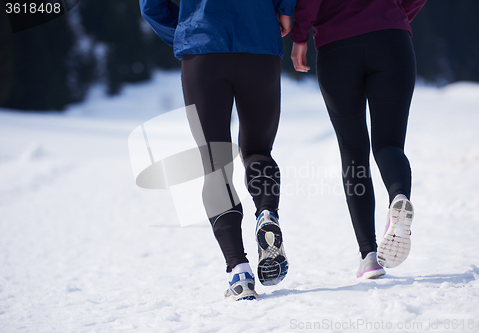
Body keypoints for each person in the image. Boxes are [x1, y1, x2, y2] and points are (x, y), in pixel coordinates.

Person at [139, 0, 296, 300]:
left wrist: (186, 33)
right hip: (259, 43)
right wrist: (285, 10)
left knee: (215, 163)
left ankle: (239, 272)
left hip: (202, 50)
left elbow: (150, 5)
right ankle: (266, 212)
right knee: (258, 150)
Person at [290, 0, 426, 278]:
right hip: (391, 39)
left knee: (353, 150)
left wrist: (299, 36)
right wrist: (395, 15)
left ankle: (369, 256)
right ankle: (398, 197)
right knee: (389, 144)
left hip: (337, 47)